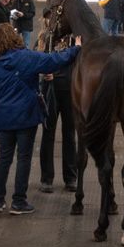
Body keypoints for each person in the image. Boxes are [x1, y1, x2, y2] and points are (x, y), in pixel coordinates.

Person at [0, 23, 79, 214]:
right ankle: (19, 201)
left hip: (4, 116)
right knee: (24, 158)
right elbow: (55, 60)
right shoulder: (27, 57)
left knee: (4, 157)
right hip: (26, 115)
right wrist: (76, 48)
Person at [38, 23, 78, 196]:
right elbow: (37, 60)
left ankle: (70, 177)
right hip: (50, 91)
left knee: (69, 134)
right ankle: (47, 178)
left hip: (69, 90)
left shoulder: (75, 39)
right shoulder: (45, 39)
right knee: (48, 134)